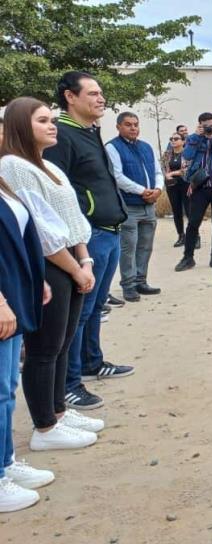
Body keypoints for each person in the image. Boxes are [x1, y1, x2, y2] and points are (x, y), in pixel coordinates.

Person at [0, 97, 102, 453]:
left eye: (51, 119)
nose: (51, 125)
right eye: (42, 120)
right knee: (44, 348)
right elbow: (41, 231)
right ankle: (45, 425)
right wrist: (75, 268)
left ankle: (59, 409)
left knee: (63, 342)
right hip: (52, 265)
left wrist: (85, 261)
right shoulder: (14, 166)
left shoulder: (49, 166)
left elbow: (73, 221)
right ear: (19, 126)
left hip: (73, 262)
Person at [43, 71, 133, 411]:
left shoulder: (89, 132)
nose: (101, 99)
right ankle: (69, 383)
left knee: (95, 308)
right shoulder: (61, 136)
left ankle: (93, 362)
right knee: (77, 315)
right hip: (88, 235)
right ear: (70, 96)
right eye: (93, 93)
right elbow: (58, 192)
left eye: (101, 93)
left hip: (109, 232)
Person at [0, 174, 49, 512]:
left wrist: (35, 281)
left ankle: (6, 461)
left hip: (14, 293)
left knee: (7, 386)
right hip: (3, 299)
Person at [104, 112, 162, 302]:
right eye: (128, 125)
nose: (133, 128)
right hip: (129, 206)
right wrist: (142, 191)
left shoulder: (146, 147)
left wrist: (158, 189)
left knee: (146, 246)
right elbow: (118, 177)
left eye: (136, 124)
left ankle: (140, 281)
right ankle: (128, 285)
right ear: (118, 127)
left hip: (149, 205)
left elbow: (157, 171)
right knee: (129, 247)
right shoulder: (112, 147)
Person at [175, 112, 212, 272]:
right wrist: (196, 138)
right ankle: (188, 257)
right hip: (200, 187)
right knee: (193, 222)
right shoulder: (193, 140)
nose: (210, 128)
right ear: (200, 125)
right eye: (206, 125)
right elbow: (187, 156)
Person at [161, 131, 190, 247]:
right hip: (172, 185)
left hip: (185, 184)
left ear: (183, 141)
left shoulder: (187, 153)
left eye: (176, 139)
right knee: (176, 211)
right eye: (171, 139)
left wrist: (172, 173)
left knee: (189, 211)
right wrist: (166, 174)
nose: (173, 141)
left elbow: (187, 169)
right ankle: (181, 236)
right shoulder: (167, 154)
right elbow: (163, 167)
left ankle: (194, 236)